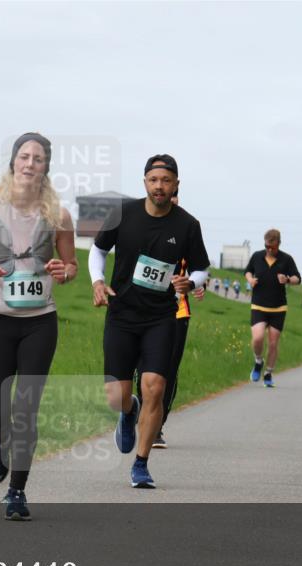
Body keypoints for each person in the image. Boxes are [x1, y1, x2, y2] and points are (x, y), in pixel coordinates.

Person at [0, 132, 78, 520]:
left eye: (38, 159)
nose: (30, 164)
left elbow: (71, 265)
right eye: (24, 157)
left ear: (46, 167)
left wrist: (64, 270)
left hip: (39, 323)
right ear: (13, 163)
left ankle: (16, 492)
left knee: (25, 410)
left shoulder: (57, 216)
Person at [90, 154, 209, 489]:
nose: (160, 186)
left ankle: (141, 464)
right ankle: (128, 412)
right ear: (145, 182)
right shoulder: (123, 214)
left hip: (161, 317)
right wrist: (98, 281)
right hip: (122, 314)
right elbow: (98, 250)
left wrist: (192, 283)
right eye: (154, 180)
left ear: (176, 185)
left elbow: (201, 267)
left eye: (166, 180)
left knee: (155, 386)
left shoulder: (188, 225)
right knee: (116, 395)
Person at [136, 187, 206, 449]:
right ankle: (138, 412)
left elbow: (199, 268)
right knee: (143, 370)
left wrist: (197, 285)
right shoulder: (143, 229)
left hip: (177, 311)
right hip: (141, 309)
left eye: (175, 194)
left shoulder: (187, 230)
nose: (171, 198)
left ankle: (157, 426)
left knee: (166, 371)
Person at [244, 228, 301, 388]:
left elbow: (298, 278)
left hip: (278, 307)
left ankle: (268, 373)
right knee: (257, 338)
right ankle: (258, 361)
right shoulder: (257, 256)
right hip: (259, 305)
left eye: (273, 247)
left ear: (279, 244)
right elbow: (247, 271)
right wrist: (250, 280)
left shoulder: (286, 259)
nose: (270, 250)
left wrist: (288, 279)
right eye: (267, 246)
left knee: (273, 343)